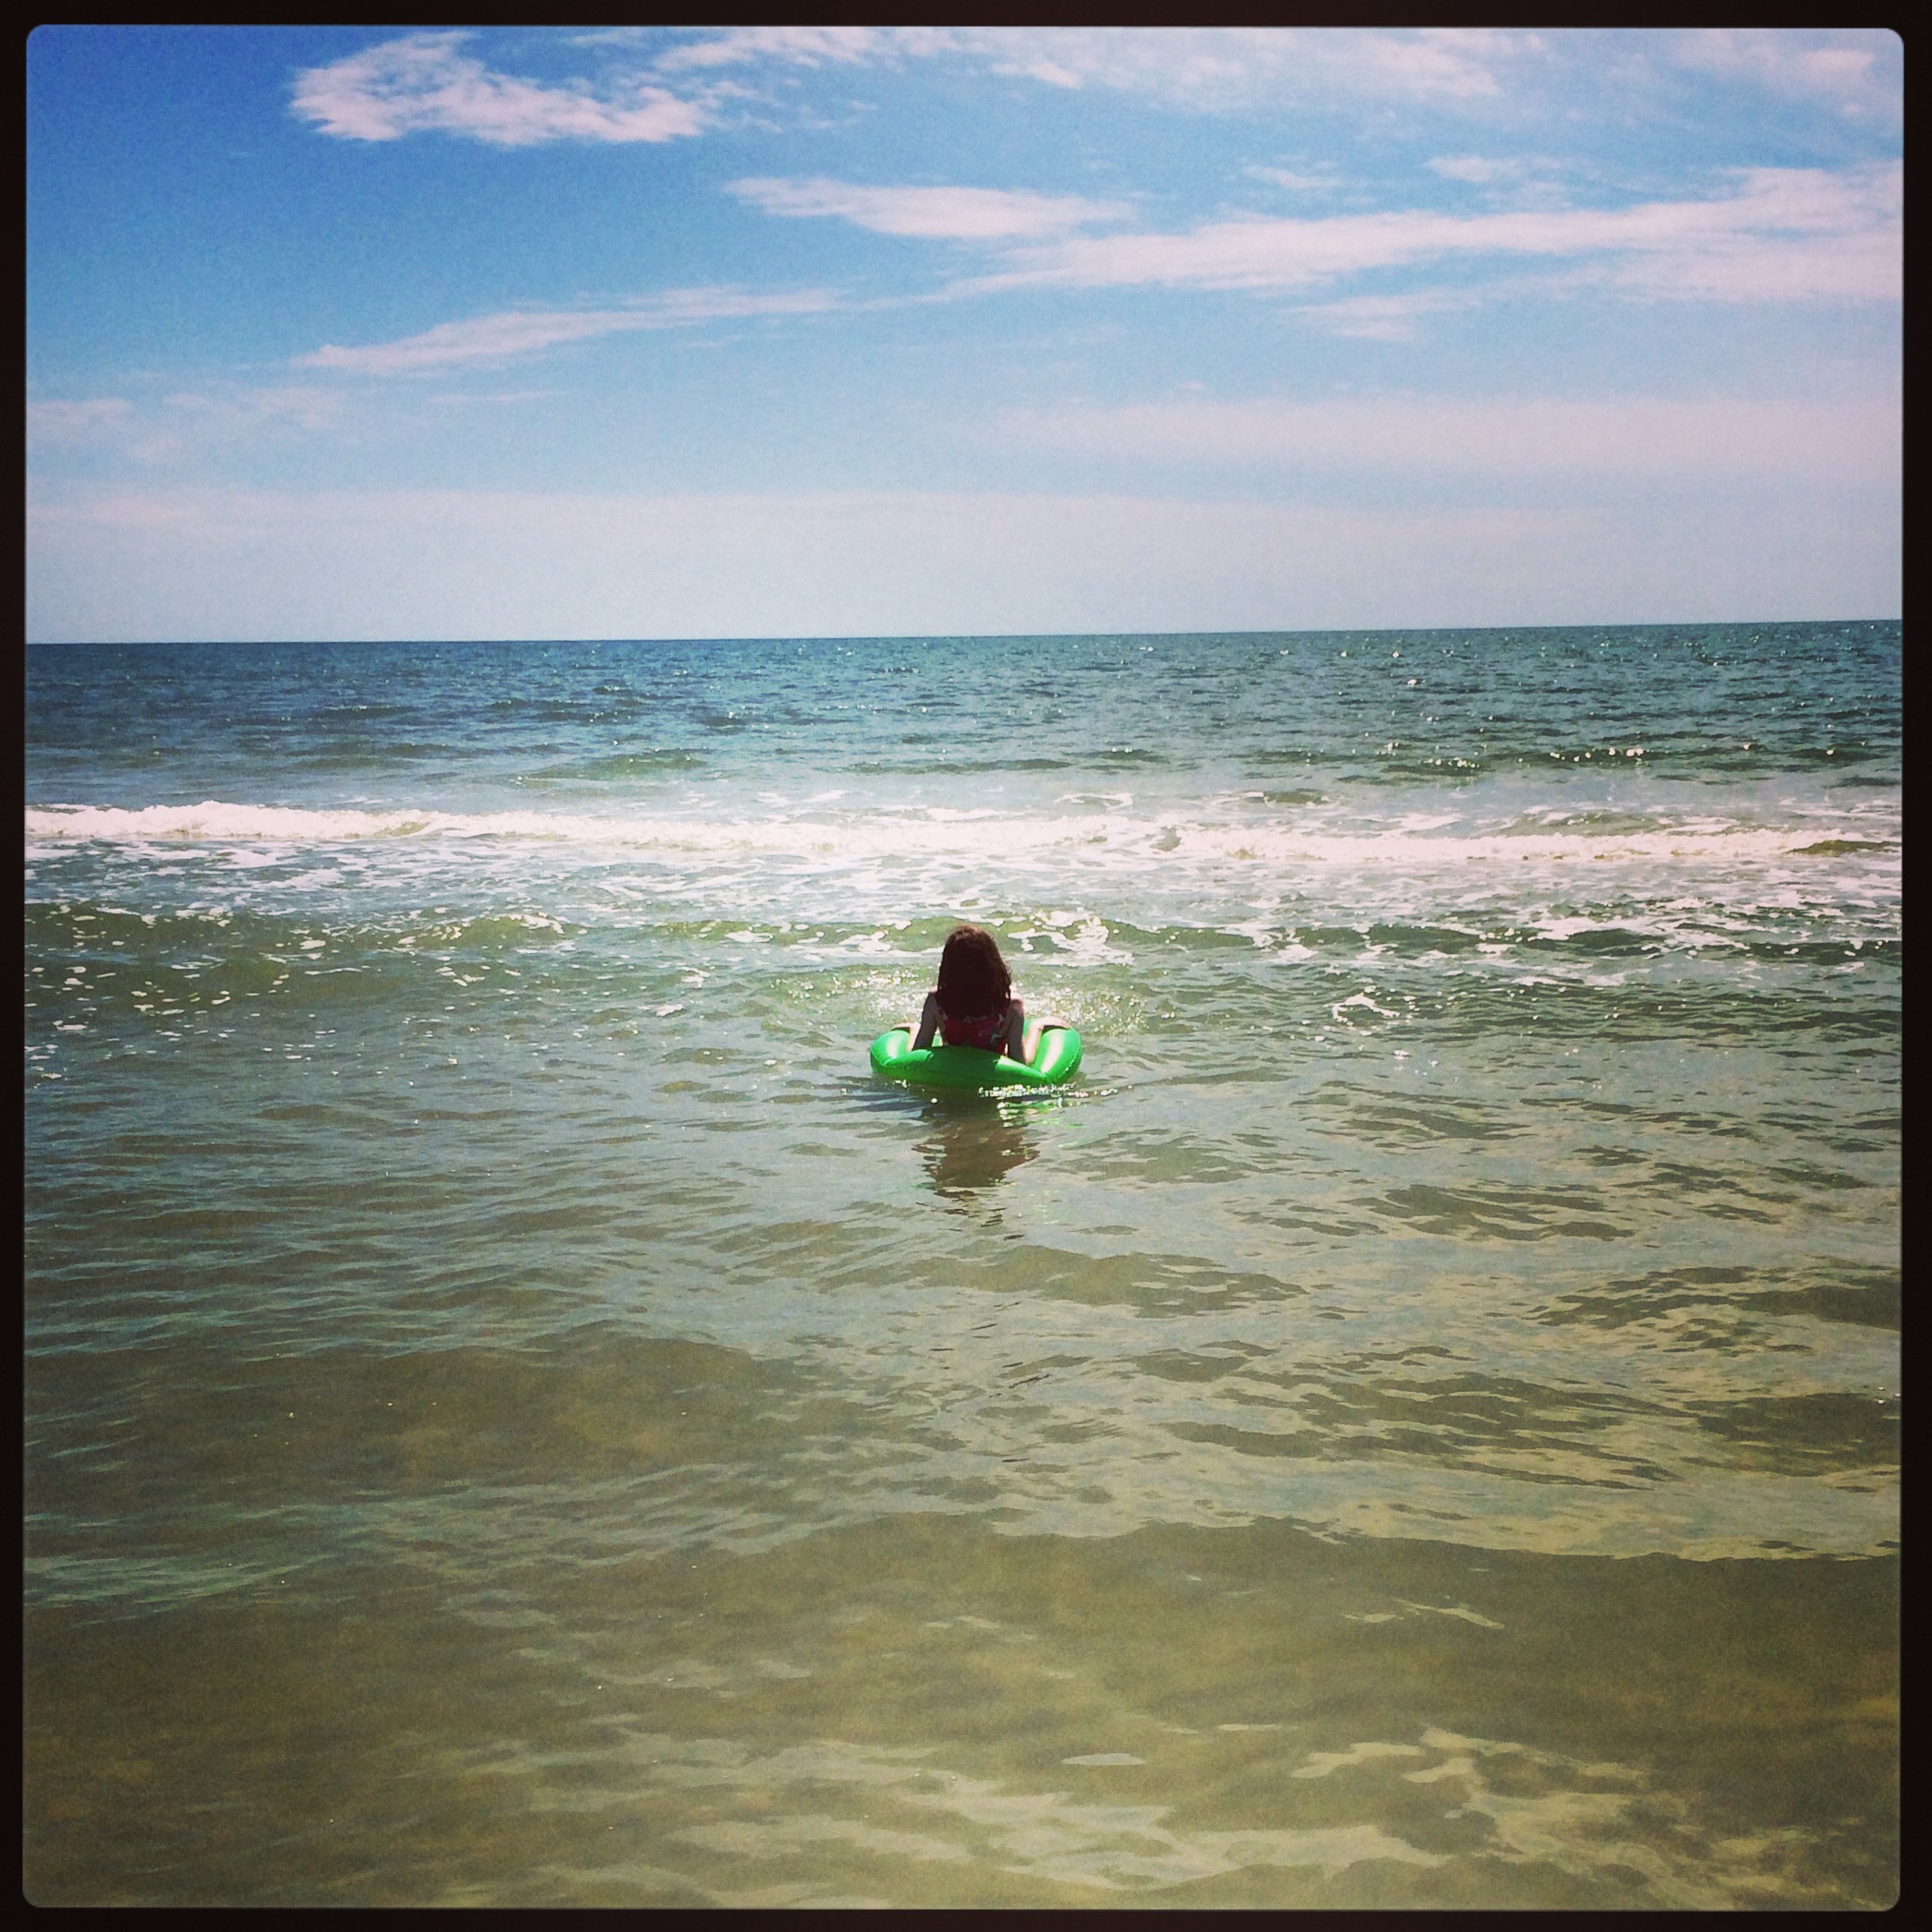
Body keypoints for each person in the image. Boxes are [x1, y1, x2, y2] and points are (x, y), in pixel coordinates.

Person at [910, 924, 1048, 1065]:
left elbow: (918, 1053)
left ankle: (1037, 1027)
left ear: (948, 967)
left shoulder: (936, 1000)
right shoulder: (1011, 1005)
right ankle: (1038, 1027)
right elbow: (1018, 1060)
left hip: (956, 1063)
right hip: (989, 1063)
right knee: (1025, 1056)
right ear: (993, 964)